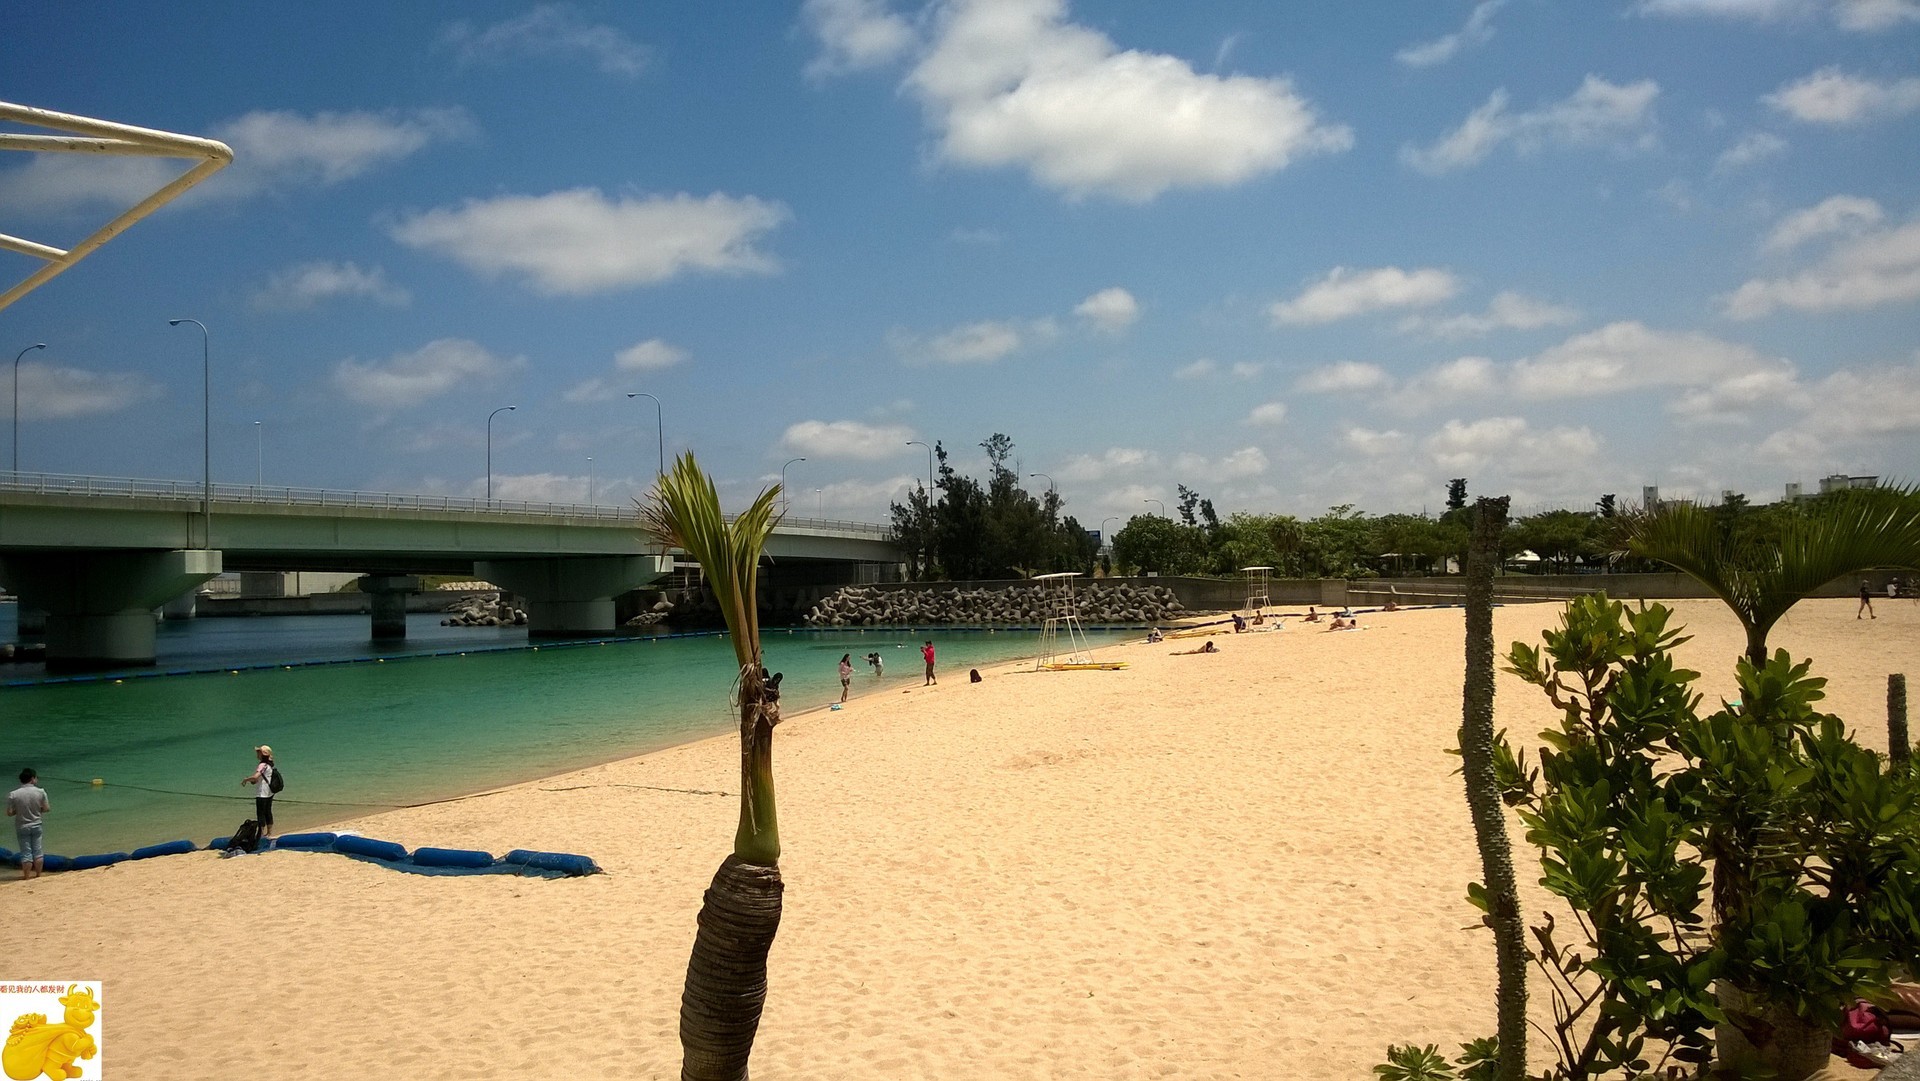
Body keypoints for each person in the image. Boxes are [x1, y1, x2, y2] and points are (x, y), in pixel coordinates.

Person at [7, 767, 50, 880]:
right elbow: (46, 808)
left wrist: (19, 811)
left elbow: (10, 813)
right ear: (32, 779)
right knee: (38, 850)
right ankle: (38, 875)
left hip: (22, 825)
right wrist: (37, 810)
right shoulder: (41, 792)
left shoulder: (13, 794)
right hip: (36, 824)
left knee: (26, 852)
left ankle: (26, 876)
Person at [242, 745, 277, 839]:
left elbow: (255, 777)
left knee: (260, 813)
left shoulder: (262, 765)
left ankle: (261, 834)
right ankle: (269, 833)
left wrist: (246, 780)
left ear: (262, 754)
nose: (257, 754)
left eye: (258, 752)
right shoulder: (270, 764)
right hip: (269, 791)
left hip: (262, 792)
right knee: (268, 812)